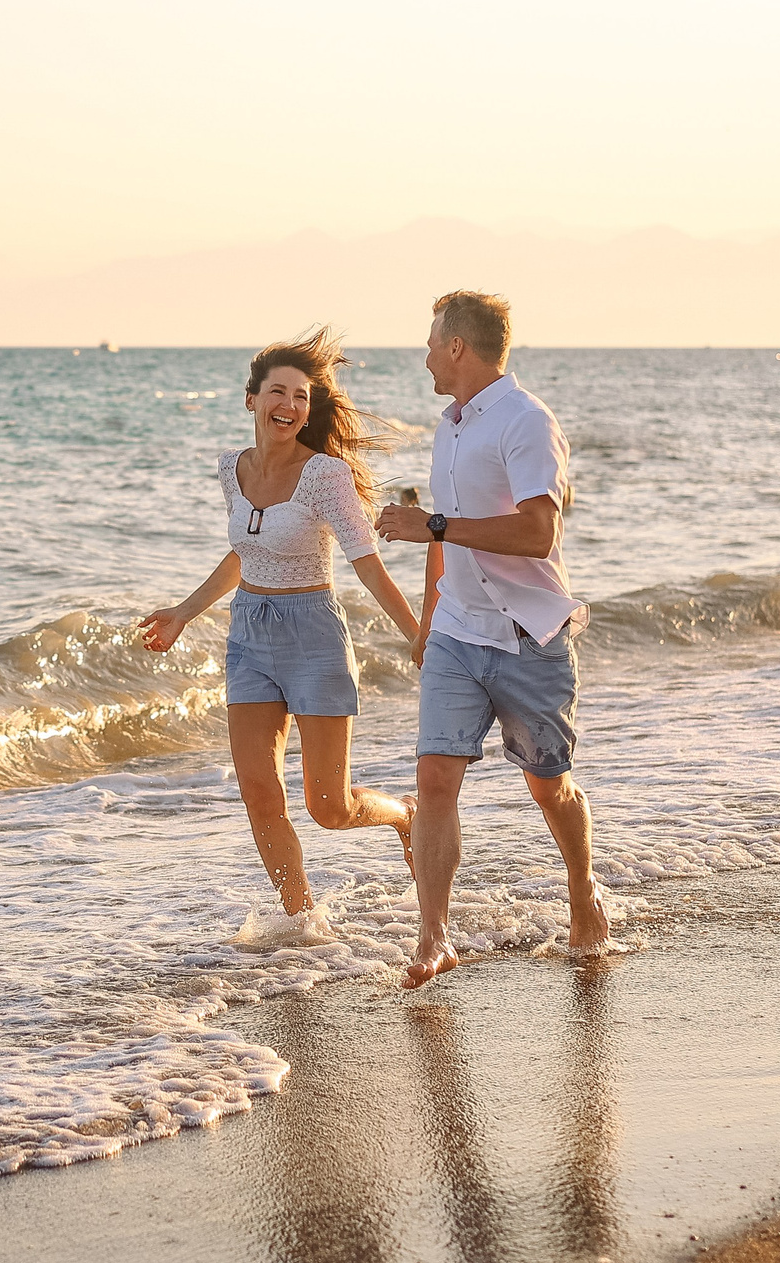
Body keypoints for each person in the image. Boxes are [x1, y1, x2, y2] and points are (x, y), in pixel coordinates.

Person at [138, 330, 421, 919]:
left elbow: (363, 561)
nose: (288, 406)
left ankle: (406, 814)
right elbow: (248, 551)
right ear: (252, 399)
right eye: (277, 392)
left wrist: (416, 634)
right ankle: (302, 921)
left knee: (329, 806)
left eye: (300, 397)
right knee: (259, 792)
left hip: (313, 635)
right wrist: (184, 613)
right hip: (249, 636)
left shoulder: (326, 476)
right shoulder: (231, 469)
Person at [375, 290, 608, 984]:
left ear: (457, 347)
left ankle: (582, 889)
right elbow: (441, 530)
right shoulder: (450, 424)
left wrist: (436, 528)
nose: (423, 358)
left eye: (430, 343)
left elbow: (539, 531)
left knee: (549, 786)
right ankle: (434, 936)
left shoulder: (527, 422)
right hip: (455, 631)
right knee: (434, 778)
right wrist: (427, 618)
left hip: (528, 634)